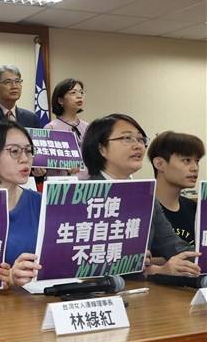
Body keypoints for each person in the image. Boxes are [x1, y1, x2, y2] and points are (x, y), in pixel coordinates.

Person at [82, 114, 200, 276]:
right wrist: (146, 267)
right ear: (101, 148)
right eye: (127, 138)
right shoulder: (81, 195)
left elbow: (172, 244)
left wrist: (200, 257)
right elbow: (76, 258)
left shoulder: (145, 193)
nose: (138, 145)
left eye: (140, 139)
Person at [0, 121, 43, 287]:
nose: (25, 159)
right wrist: (6, 279)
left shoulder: (39, 203)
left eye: (28, 151)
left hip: (32, 304)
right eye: (15, 152)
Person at [147, 131, 204, 246]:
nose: (195, 168)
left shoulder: (194, 208)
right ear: (159, 164)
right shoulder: (143, 209)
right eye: (186, 160)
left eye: (197, 161)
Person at [45, 78, 90, 178]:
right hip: (61, 184)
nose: (79, 96)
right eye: (73, 92)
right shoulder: (51, 128)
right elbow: (45, 161)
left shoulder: (88, 127)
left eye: (81, 92)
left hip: (87, 183)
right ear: (61, 100)